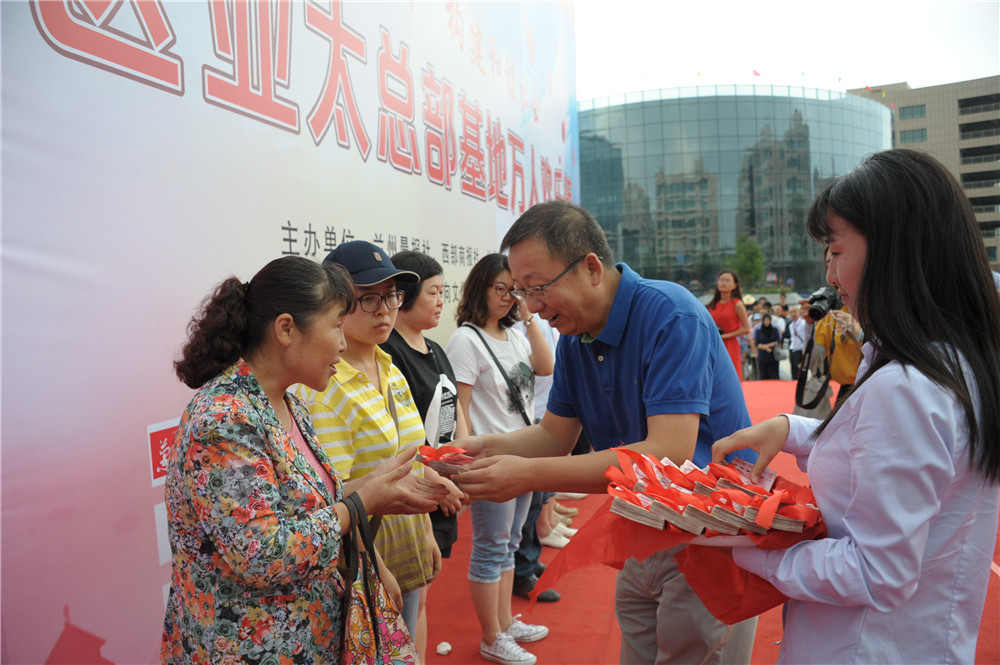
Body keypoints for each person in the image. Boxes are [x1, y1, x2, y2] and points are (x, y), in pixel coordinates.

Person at [712, 149, 1000, 664]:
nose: (831, 275)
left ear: (895, 250)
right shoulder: (957, 364)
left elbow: (876, 572)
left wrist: (751, 549)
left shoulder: (908, 388)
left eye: (836, 250)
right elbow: (887, 450)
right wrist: (791, 429)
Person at [452, 201, 758, 665]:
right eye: (521, 292)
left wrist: (526, 476)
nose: (531, 306)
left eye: (538, 288)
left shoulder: (670, 315)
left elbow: (668, 454)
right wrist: (480, 448)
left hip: (708, 533)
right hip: (642, 524)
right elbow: (553, 436)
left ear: (591, 268)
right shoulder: (575, 340)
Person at [162, 256, 443, 664]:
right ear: (286, 329)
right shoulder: (224, 419)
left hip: (305, 639)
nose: (343, 343)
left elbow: (308, 505)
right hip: (247, 650)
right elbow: (263, 554)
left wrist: (379, 485)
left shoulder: (289, 404)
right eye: (335, 325)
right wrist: (362, 503)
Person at [297, 241, 449, 653]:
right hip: (365, 545)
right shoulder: (324, 386)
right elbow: (334, 495)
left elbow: (412, 456)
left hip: (408, 531)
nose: (384, 310)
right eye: (368, 298)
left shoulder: (390, 365)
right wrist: (373, 567)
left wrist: (426, 530)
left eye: (391, 295)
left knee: (411, 635)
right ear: (335, 305)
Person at [444, 253, 555, 665]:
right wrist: (467, 463)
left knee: (510, 543)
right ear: (481, 288)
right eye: (500, 288)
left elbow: (546, 366)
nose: (508, 297)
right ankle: (491, 636)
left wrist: (529, 318)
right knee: (491, 547)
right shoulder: (466, 340)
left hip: (523, 453)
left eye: (515, 290)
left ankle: (506, 624)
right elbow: (460, 409)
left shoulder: (514, 334)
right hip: (491, 459)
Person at [379, 250, 469, 662]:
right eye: (433, 292)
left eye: (442, 292)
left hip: (442, 482)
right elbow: (402, 440)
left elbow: (456, 410)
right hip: (415, 491)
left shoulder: (434, 348)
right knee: (403, 606)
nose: (440, 301)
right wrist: (437, 479)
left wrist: (463, 465)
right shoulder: (390, 353)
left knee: (421, 599)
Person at [706, 270, 751, 381]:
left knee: (729, 378)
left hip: (730, 344)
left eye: (727, 280)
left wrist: (725, 336)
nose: (723, 283)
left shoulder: (737, 304)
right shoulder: (712, 305)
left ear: (735, 285)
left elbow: (746, 328)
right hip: (713, 343)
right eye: (721, 280)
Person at [753, 313, 781, 380]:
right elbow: (757, 343)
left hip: (773, 354)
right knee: (763, 375)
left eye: (768, 320)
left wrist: (767, 346)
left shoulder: (774, 329)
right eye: (765, 320)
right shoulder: (758, 330)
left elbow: (777, 341)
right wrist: (765, 348)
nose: (766, 322)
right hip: (762, 355)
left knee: (774, 374)